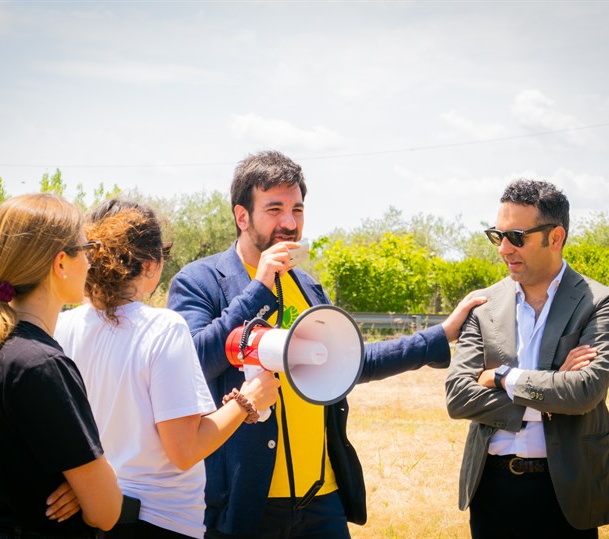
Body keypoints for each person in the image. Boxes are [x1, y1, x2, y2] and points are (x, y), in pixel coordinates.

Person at [167, 150, 486, 538]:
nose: (289, 223)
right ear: (241, 216)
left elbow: (352, 361)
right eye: (274, 209)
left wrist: (441, 334)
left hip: (322, 500)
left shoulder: (307, 286)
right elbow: (193, 364)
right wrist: (257, 289)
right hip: (245, 504)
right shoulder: (198, 281)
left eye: (297, 210)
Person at [55, 199, 280, 539]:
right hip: (159, 518)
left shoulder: (63, 326)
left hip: (93, 512)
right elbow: (185, 450)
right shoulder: (163, 328)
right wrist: (246, 402)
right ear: (150, 265)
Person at [445, 179, 609, 538]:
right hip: (491, 490)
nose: (503, 249)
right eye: (497, 236)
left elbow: (584, 393)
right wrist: (552, 386)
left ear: (555, 237)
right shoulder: (483, 306)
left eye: (516, 236)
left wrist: (501, 378)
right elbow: (458, 397)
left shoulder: (599, 302)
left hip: (567, 492)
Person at [0, 193, 122, 537]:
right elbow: (106, 511)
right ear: (60, 263)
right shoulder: (41, 365)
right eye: (87, 249)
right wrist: (90, 486)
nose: (90, 263)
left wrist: (79, 485)